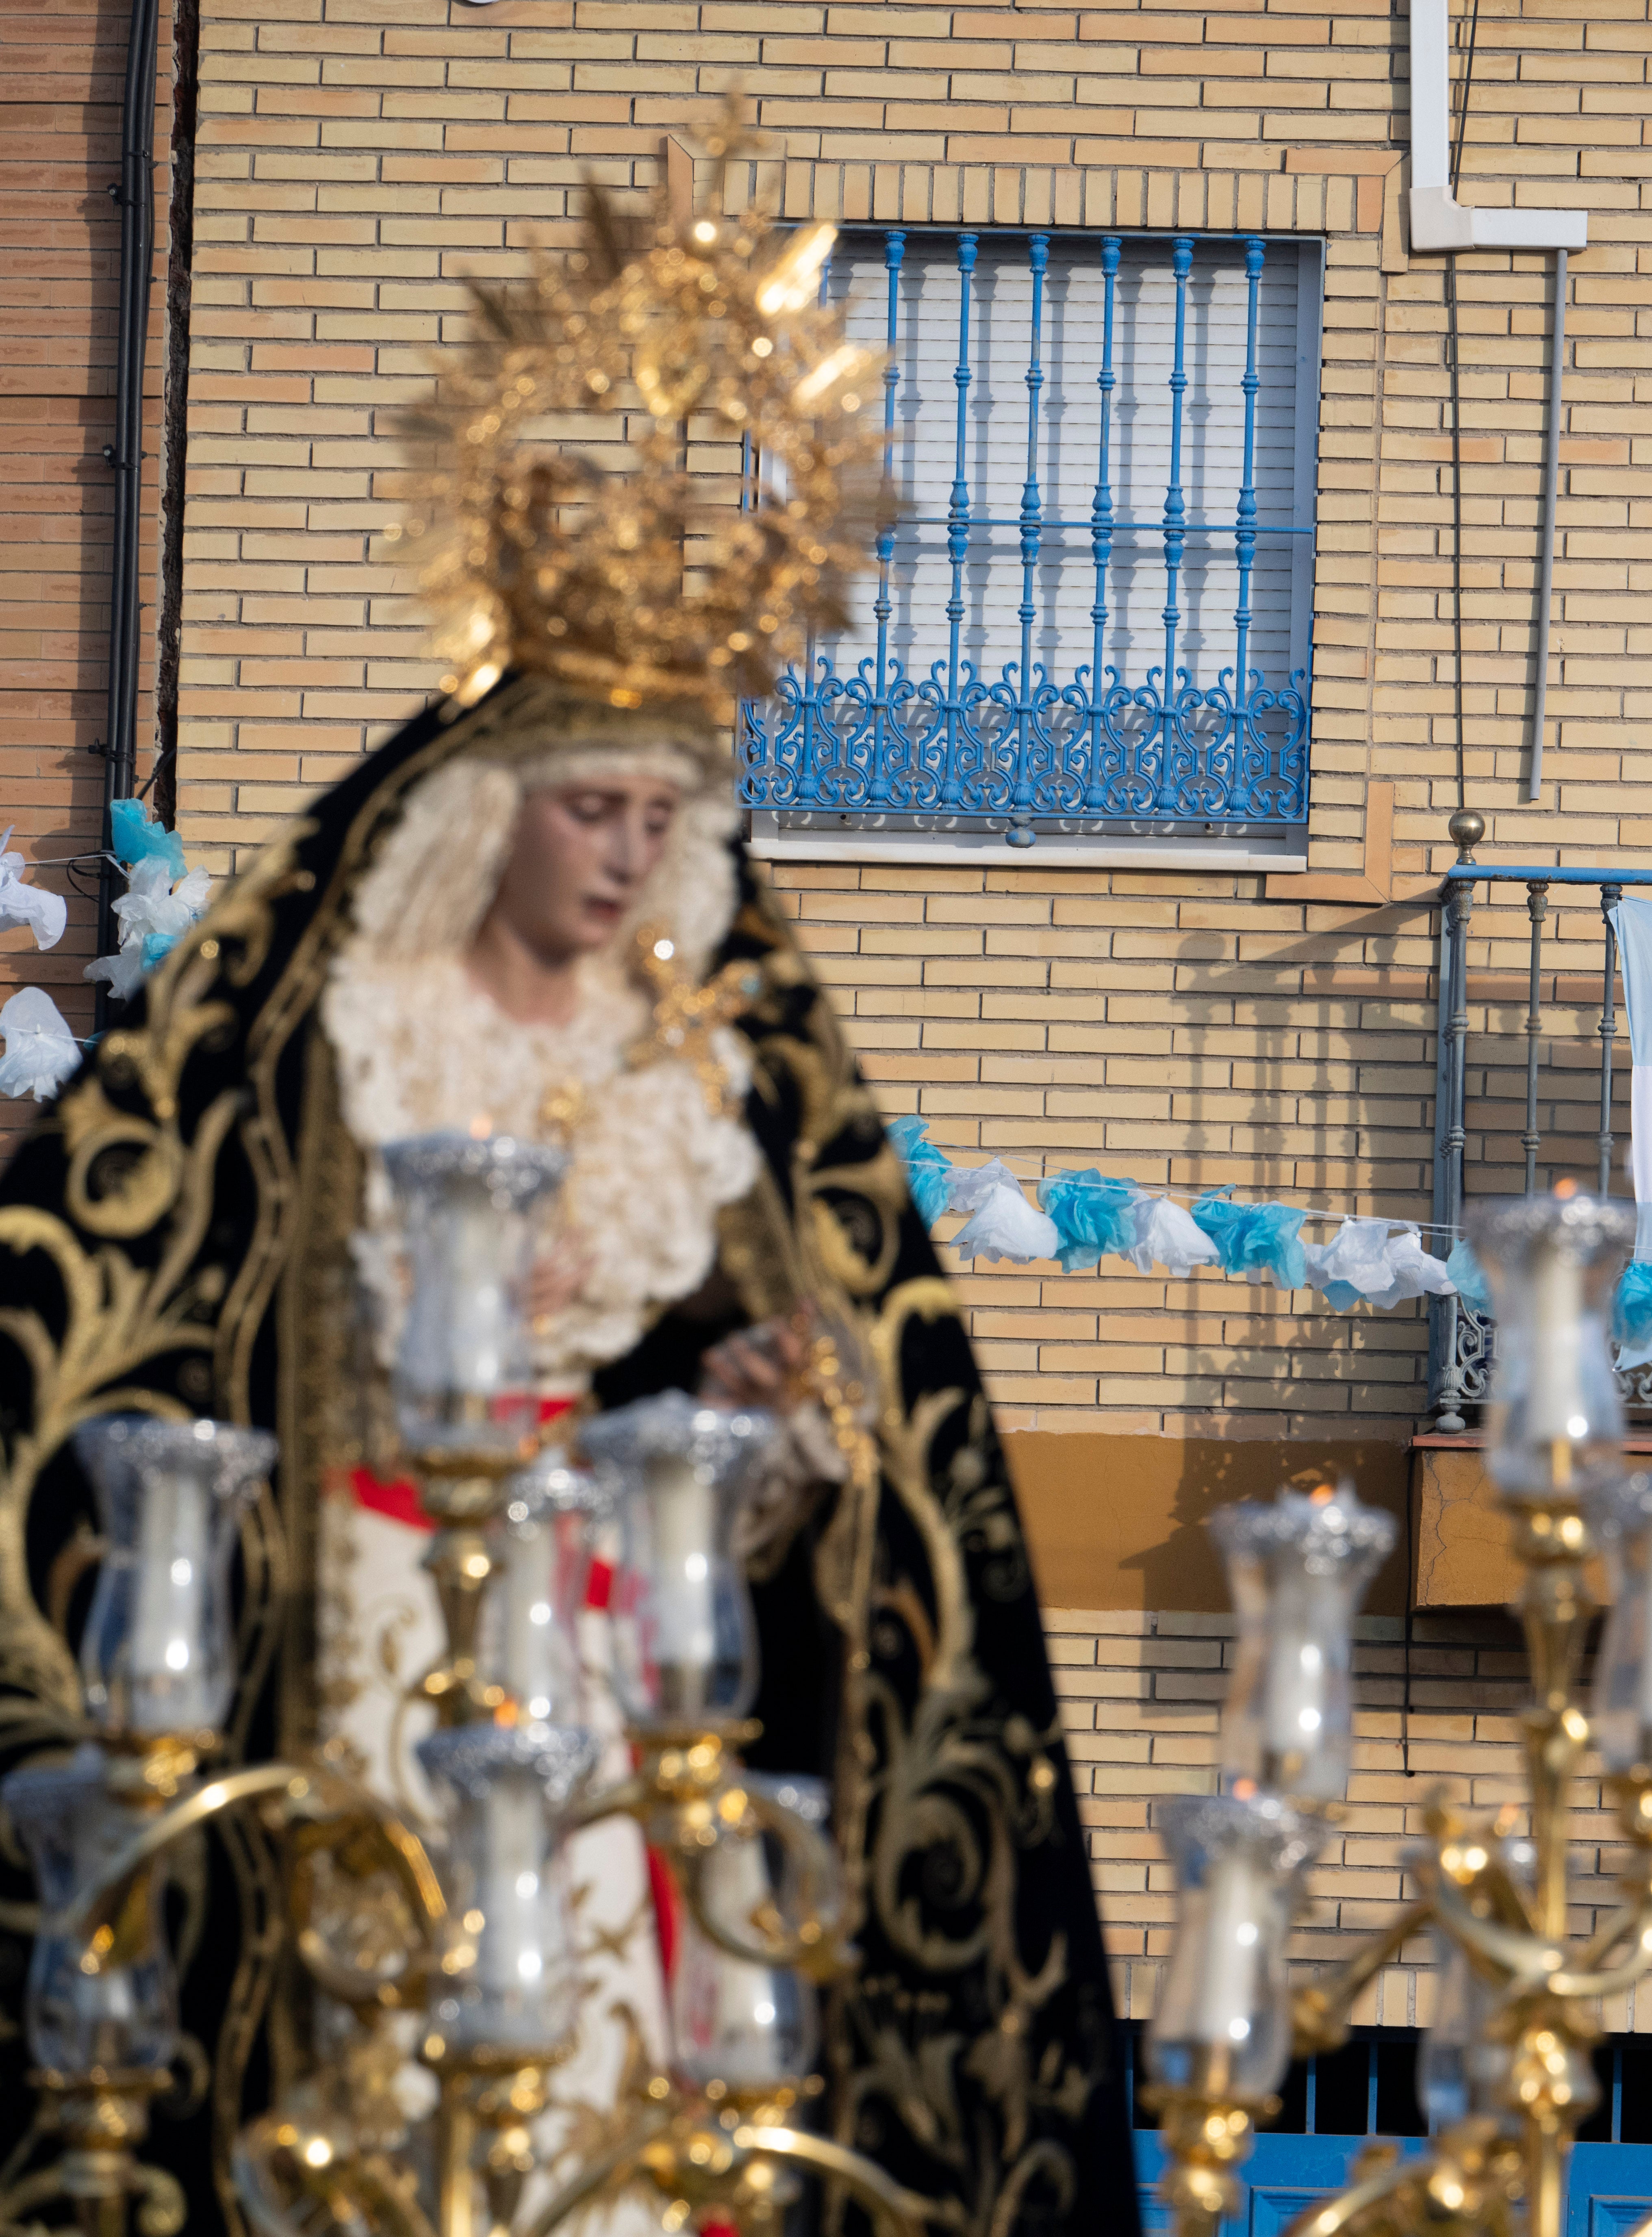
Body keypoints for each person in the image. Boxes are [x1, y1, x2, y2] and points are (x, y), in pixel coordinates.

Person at [0, 121, 1126, 2237]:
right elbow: (107, 1334)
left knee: (604, 2134)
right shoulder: (305, 1041)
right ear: (492, 797)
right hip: (338, 1649)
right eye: (588, 802)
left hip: (618, 1699)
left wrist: (772, 1436)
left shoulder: (711, 1082)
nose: (622, 850)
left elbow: (860, 1492)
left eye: (659, 809)